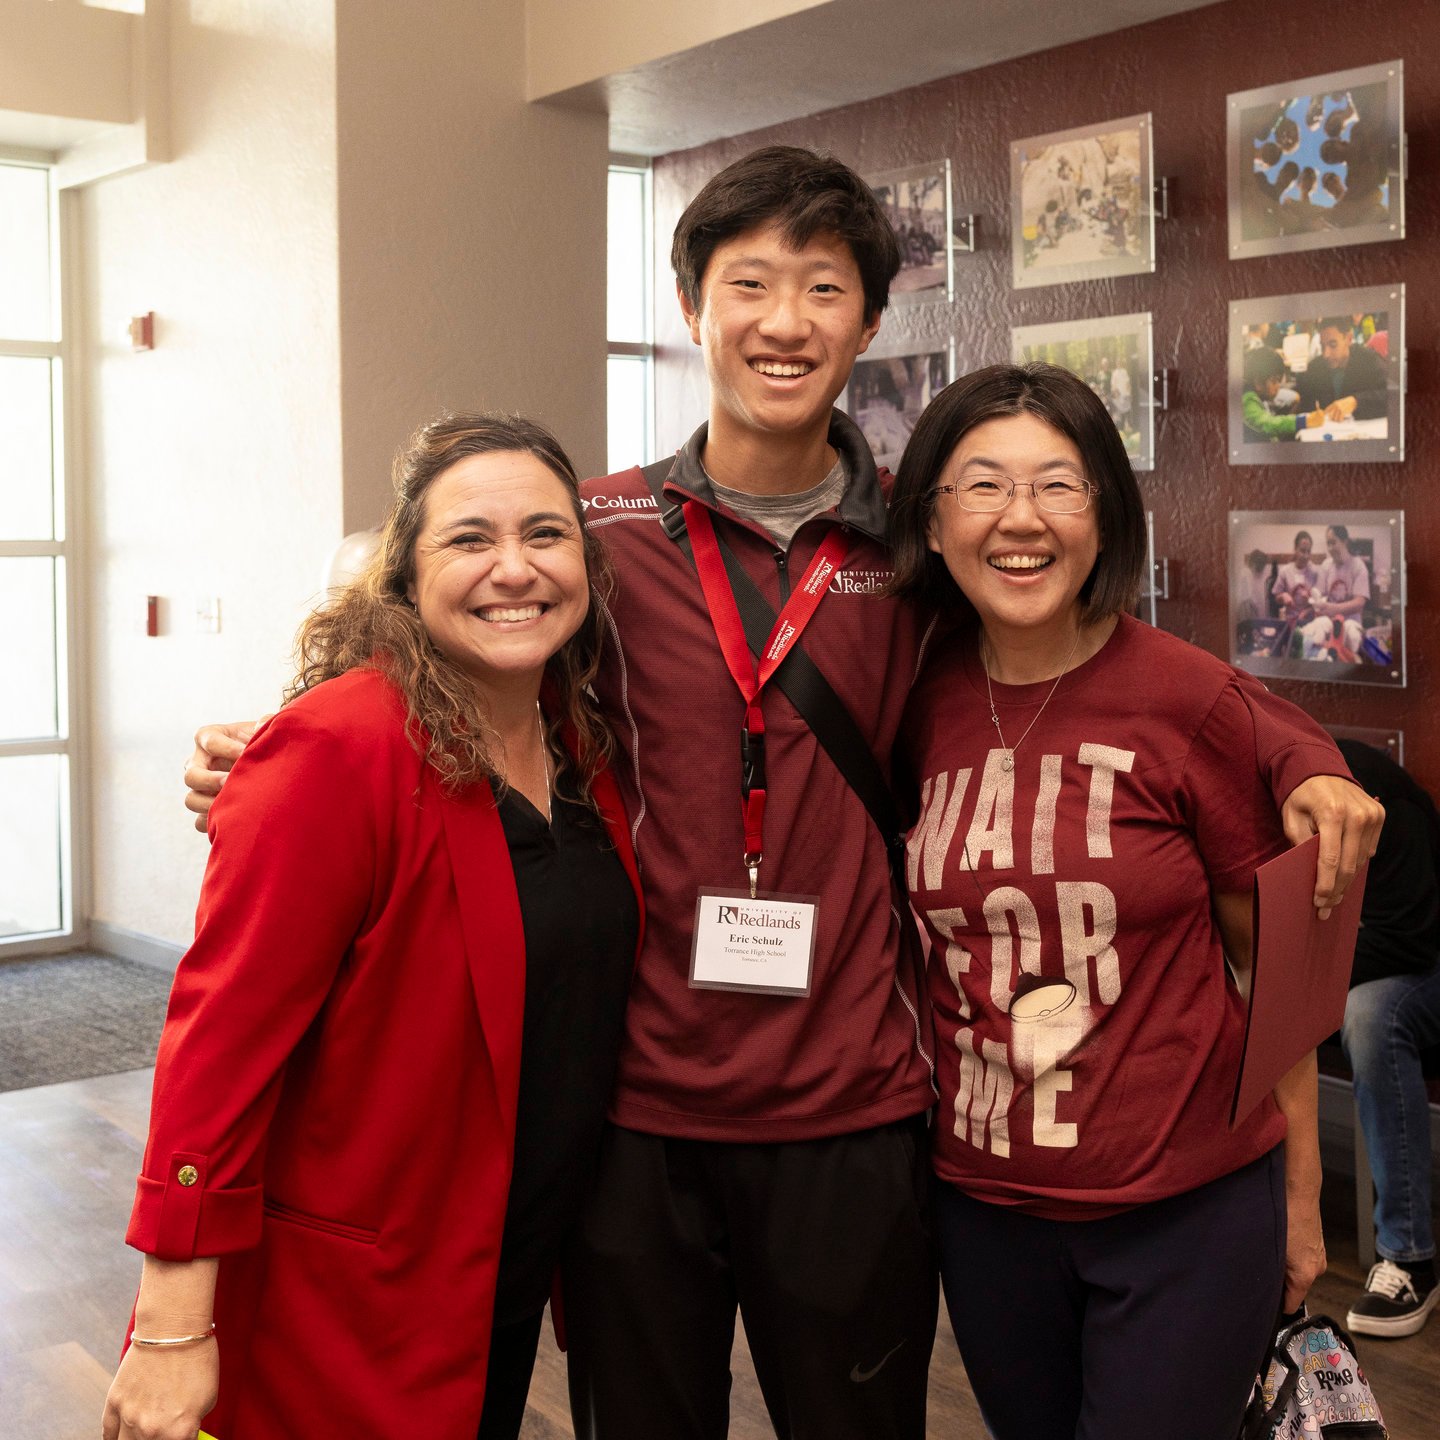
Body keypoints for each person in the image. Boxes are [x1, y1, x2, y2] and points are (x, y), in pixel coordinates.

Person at [182, 147, 1382, 1440]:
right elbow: (441, 647)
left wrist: (1302, 753)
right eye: (748, 282)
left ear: (870, 322)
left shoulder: (923, 547)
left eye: (823, 287)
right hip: (632, 1113)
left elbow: (1105, 675)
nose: (785, 320)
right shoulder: (599, 531)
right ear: (692, 308)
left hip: (855, 1117)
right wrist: (276, 738)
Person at [103, 415, 642, 1440]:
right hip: (351, 1298)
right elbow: (219, 1049)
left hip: (503, 1272)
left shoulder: (581, 743)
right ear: (405, 575)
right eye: (470, 539)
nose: (514, 569)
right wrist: (172, 1328)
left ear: (587, 561)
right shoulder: (336, 749)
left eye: (545, 534)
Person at [889, 363, 1335, 1440]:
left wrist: (1304, 1198)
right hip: (984, 1208)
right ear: (934, 520)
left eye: (1060, 485)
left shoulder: (1186, 697)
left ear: (1105, 516)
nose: (1021, 519)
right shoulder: (911, 693)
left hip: (1184, 1209)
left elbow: (1273, 969)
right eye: (983, 485)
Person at [1337, 739, 1440, 1339]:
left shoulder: (1377, 797)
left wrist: (1289, 972)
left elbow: (1410, 941)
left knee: (1371, 1018)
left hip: (1424, 960)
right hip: (1359, 955)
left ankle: (1408, 1257)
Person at [1295, 317, 1388, 423]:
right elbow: (1306, 407)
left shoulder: (1368, 359)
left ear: (1349, 338)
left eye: (1333, 345)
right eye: (1322, 346)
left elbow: (1393, 396)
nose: (1326, 354)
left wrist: (1356, 401)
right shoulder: (1315, 368)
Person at [1299, 523, 1368, 659]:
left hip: (1350, 626)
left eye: (1333, 543)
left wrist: (1334, 609)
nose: (1330, 548)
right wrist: (1311, 597)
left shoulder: (1358, 567)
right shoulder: (1326, 565)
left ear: (1345, 541)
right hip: (1329, 625)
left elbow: (1360, 602)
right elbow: (1320, 593)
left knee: (1349, 656)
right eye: (1328, 544)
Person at [1242, 348, 1324, 443]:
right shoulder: (1247, 401)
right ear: (1258, 383)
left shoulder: (1255, 396)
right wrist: (1302, 421)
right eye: (1274, 381)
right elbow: (1268, 424)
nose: (1278, 387)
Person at [1272, 529, 1320, 611]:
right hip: (1291, 618)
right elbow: (1276, 597)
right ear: (1295, 549)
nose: (1306, 556)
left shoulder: (1315, 572)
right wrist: (1283, 596)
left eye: (1308, 551)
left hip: (1309, 618)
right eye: (1302, 551)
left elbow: (1320, 601)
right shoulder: (1285, 571)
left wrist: (1310, 599)